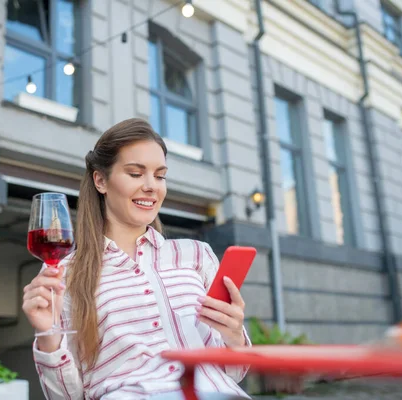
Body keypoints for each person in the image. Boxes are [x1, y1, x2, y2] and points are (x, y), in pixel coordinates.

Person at [22, 118, 252, 400]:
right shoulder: (68, 274)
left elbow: (235, 371)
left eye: (160, 175)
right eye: (135, 173)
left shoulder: (196, 255)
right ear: (101, 180)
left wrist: (234, 336)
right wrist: (47, 334)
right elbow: (67, 397)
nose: (151, 186)